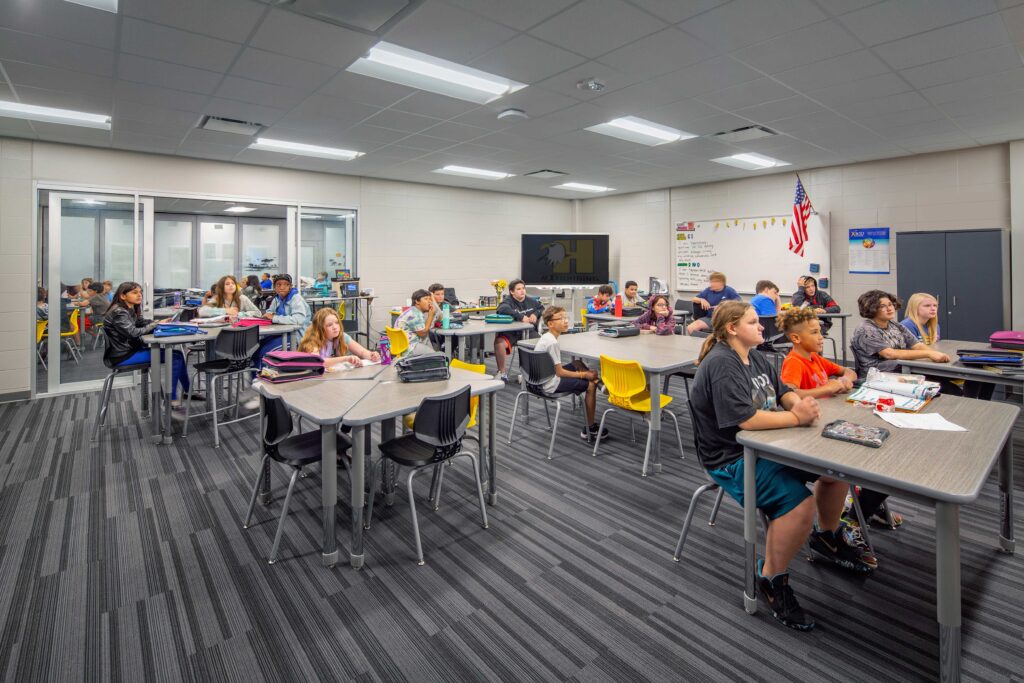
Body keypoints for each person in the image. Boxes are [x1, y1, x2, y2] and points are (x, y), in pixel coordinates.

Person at [690, 301, 872, 632]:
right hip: (731, 458)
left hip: (771, 444)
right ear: (732, 329)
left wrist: (796, 403)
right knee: (799, 507)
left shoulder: (754, 355)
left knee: (835, 471)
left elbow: (783, 390)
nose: (762, 327)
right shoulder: (721, 363)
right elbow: (743, 419)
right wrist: (796, 417)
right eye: (754, 322)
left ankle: (827, 538)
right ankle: (771, 578)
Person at [777, 307, 888, 561]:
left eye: (821, 332)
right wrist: (827, 387)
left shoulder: (815, 358)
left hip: (827, 422)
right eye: (814, 333)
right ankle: (832, 528)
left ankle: (855, 508)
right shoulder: (794, 362)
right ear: (796, 339)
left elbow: (846, 371)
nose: (821, 337)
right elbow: (790, 395)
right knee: (840, 468)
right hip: (807, 433)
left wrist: (846, 378)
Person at [103, 281, 189, 410]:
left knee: (177, 354)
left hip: (128, 351)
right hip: (123, 356)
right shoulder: (119, 312)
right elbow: (133, 333)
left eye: (140, 292)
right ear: (123, 296)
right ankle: (171, 398)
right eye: (135, 292)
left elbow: (141, 323)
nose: (139, 295)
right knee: (175, 357)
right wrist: (155, 325)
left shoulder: (129, 309)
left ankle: (188, 391)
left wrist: (158, 322)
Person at [901, 292, 994, 400]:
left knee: (983, 375)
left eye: (935, 305)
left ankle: (981, 404)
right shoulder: (907, 325)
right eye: (927, 306)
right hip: (918, 370)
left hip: (935, 365)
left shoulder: (934, 325)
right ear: (915, 308)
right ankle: (967, 403)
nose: (933, 309)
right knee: (958, 389)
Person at [537, 306, 609, 442]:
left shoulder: (547, 337)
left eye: (566, 318)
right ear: (550, 324)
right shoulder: (552, 343)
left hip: (543, 378)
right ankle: (590, 429)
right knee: (589, 385)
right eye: (561, 318)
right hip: (550, 383)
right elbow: (559, 372)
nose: (565, 321)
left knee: (577, 363)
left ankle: (599, 383)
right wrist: (584, 376)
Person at [850, 290, 950, 379]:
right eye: (882, 306)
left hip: (901, 369)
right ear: (871, 309)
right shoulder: (866, 329)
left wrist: (937, 355)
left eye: (890, 304)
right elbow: (890, 354)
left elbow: (916, 345)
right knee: (944, 386)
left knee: (944, 381)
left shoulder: (895, 325)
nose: (889, 308)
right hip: (878, 376)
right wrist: (929, 354)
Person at [494, 279, 544, 383]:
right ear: (512, 292)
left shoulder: (531, 301)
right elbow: (501, 309)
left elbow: (541, 308)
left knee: (543, 343)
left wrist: (535, 314)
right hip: (511, 333)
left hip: (529, 332)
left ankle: (533, 373)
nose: (522, 291)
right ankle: (502, 373)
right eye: (518, 289)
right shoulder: (508, 301)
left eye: (523, 288)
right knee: (499, 343)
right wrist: (520, 317)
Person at [299, 308, 380, 368]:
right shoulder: (312, 340)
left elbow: (362, 352)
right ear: (320, 328)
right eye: (329, 325)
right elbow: (319, 362)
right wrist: (345, 359)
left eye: (337, 323)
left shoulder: (342, 336)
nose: (335, 327)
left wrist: (372, 355)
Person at [394, 289, 436, 356]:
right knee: (437, 357)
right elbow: (423, 333)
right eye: (426, 299)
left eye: (430, 299)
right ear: (417, 301)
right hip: (409, 347)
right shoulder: (415, 314)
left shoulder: (412, 310)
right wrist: (431, 315)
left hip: (403, 346)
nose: (429, 302)